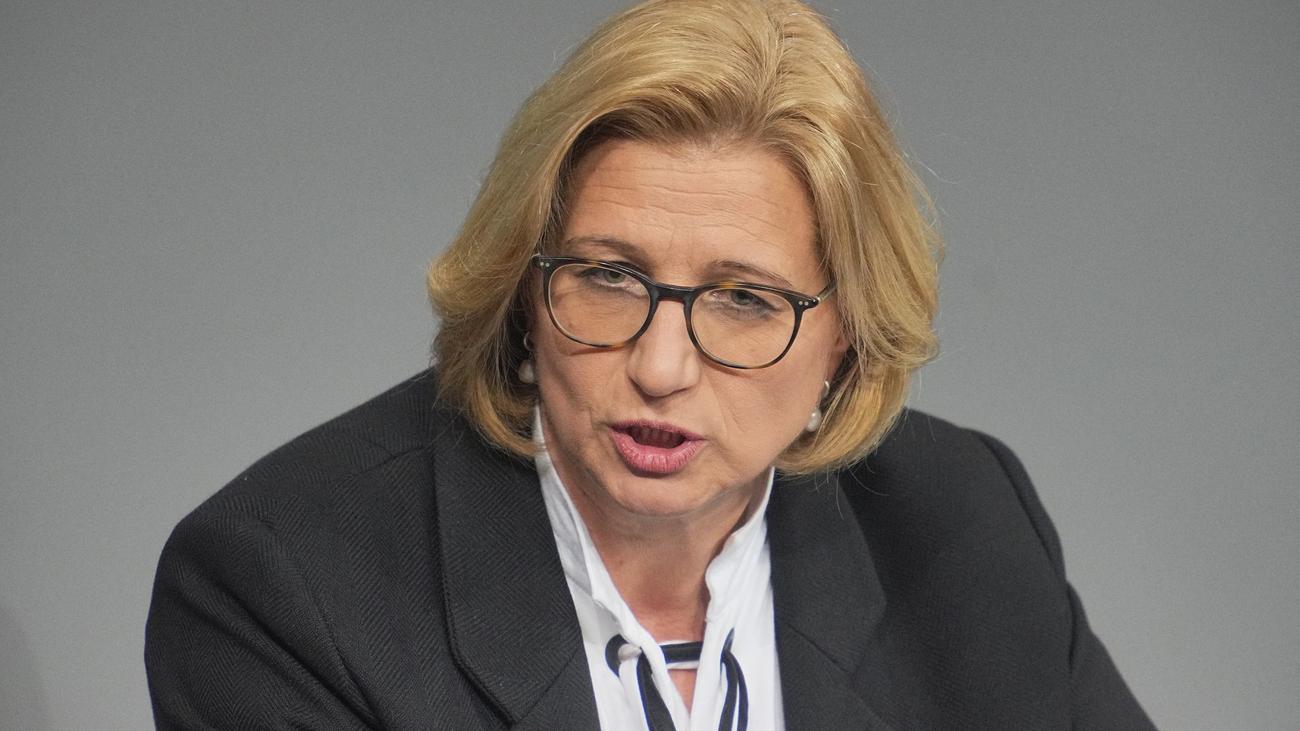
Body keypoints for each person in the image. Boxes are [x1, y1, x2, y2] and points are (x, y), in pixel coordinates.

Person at [144, 1, 1155, 729]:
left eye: (745, 299)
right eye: (608, 277)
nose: (662, 365)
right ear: (523, 286)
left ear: (846, 330)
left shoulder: (965, 524)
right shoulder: (286, 585)